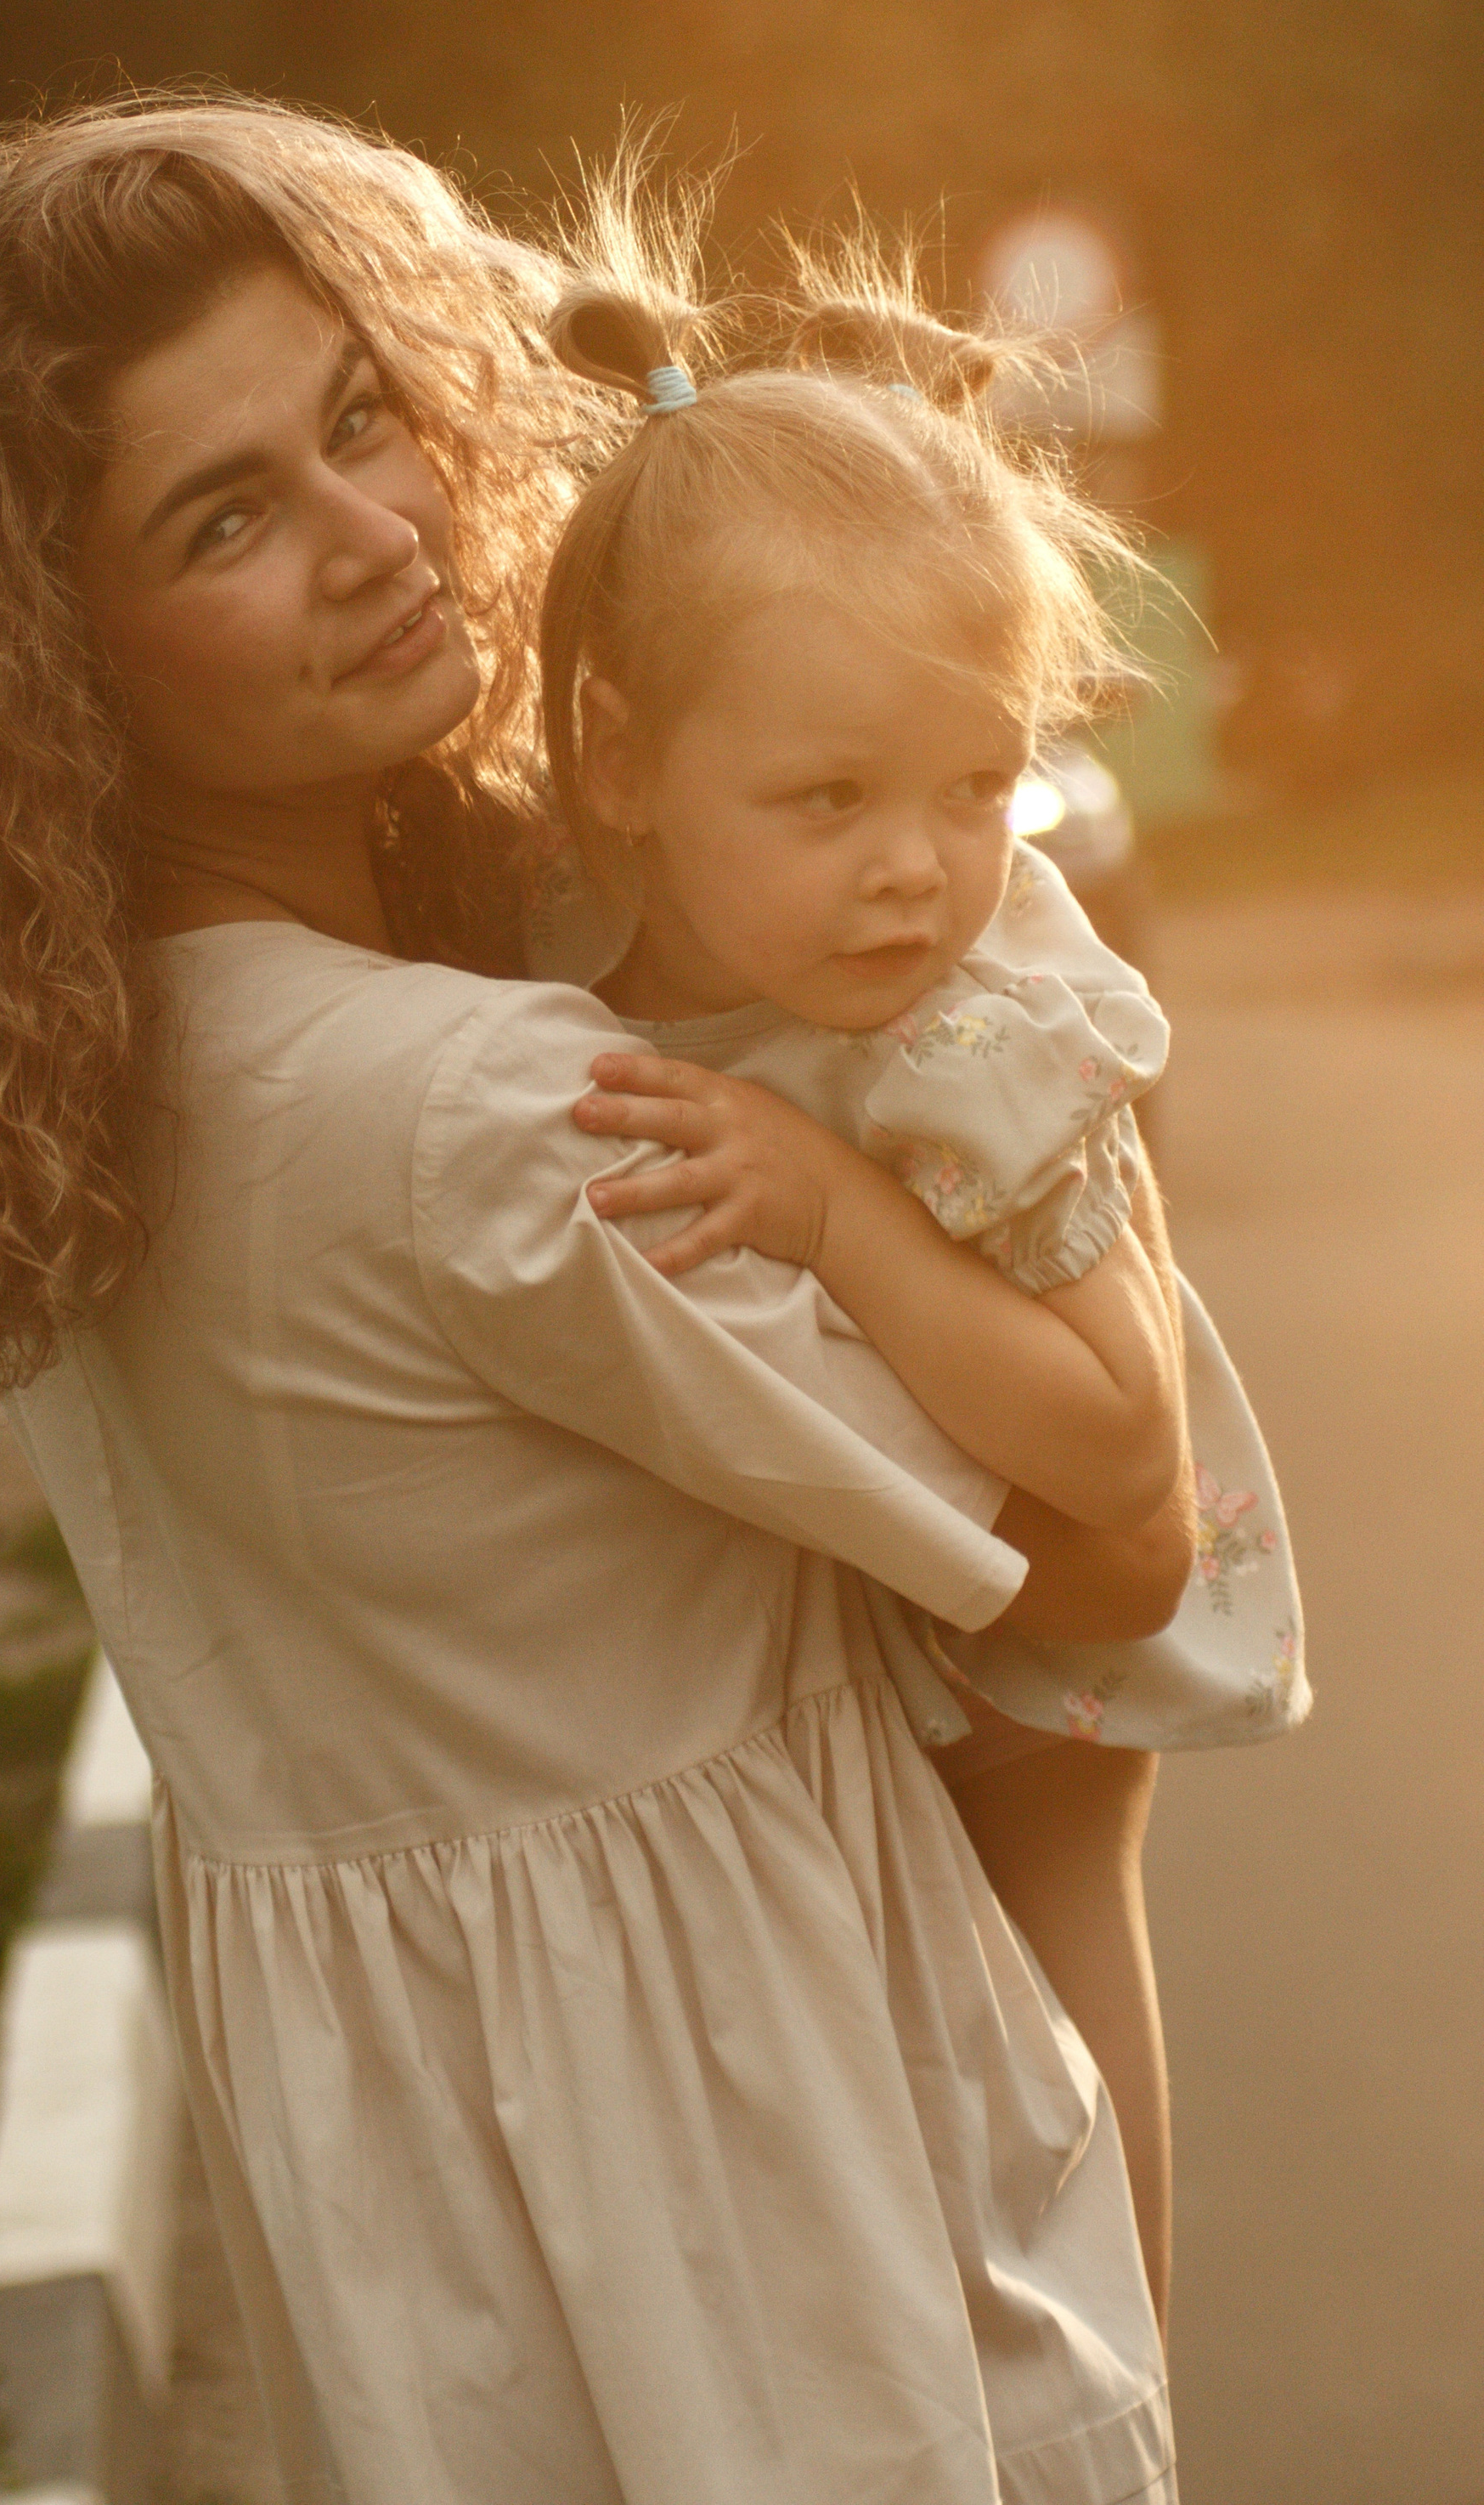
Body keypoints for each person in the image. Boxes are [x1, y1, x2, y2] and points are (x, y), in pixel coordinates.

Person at [0, 96, 1194, 2504]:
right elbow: (1120, 1557)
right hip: (792, 2267)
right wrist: (1034, 1065)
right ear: (49, 654)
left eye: (359, 418)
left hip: (467, 2292)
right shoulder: (479, 1116)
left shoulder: (73, 1081)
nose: (377, 531)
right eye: (225, 517)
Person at [526, 262, 1309, 2327]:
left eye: (975, 791)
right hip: (844, 1626)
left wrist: (833, 1215)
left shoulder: (963, 1041)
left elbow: (1114, 1436)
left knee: (1059, 2013)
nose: (914, 873)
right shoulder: (562, 972)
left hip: (1041, 1646)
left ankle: (1120, 2393)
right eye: (828, 802)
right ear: (615, 762)